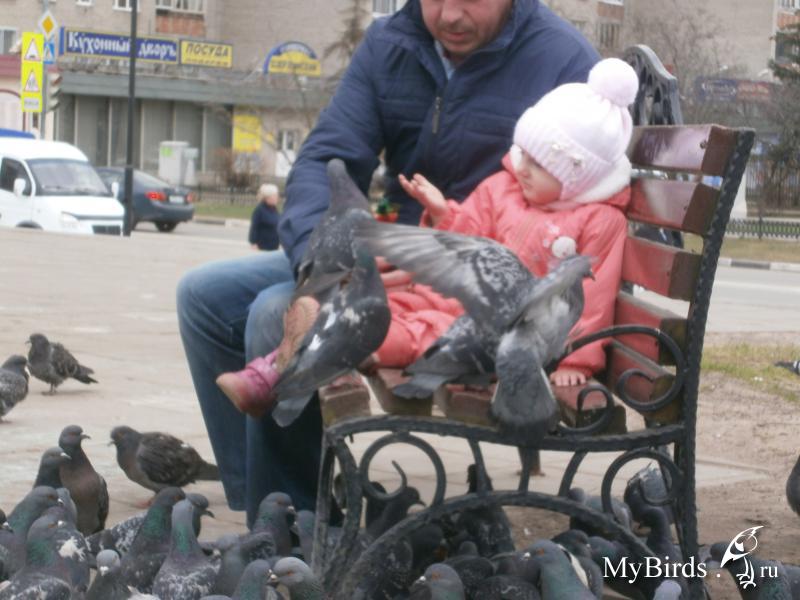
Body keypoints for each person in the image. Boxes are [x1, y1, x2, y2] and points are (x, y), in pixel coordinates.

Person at [176, 0, 599, 526]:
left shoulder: (563, 61)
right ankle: (264, 503)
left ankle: (294, 525)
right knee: (203, 296)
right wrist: (324, 260)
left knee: (273, 313)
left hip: (482, 284)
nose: (450, 15)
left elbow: (592, 201)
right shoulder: (392, 43)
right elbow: (326, 157)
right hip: (392, 250)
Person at [217, 57, 637, 423]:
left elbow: (592, 298)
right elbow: (463, 240)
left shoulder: (599, 221)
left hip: (495, 331)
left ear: (578, 177)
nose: (522, 167)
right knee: (364, 307)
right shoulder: (503, 188)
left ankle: (286, 371)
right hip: (441, 297)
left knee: (396, 332)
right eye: (524, 152)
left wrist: (580, 360)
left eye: (542, 164)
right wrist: (444, 214)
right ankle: (270, 370)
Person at [248, 183, 281, 251]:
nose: (277, 198)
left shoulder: (274, 209)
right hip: (263, 246)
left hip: (274, 246)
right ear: (267, 198)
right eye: (275, 196)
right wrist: (253, 243)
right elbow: (254, 227)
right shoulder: (259, 210)